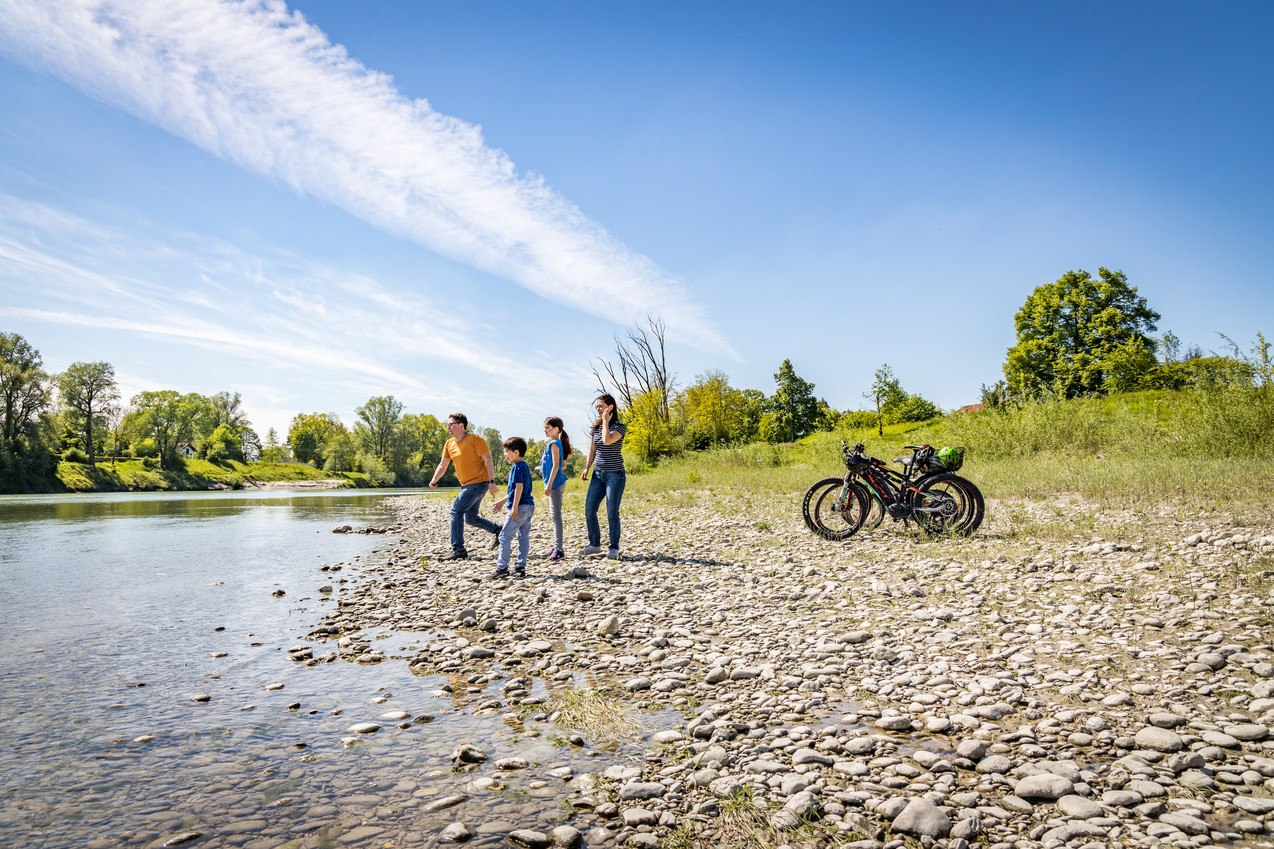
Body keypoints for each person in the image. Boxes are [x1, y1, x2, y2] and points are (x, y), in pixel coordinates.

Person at [428, 412, 499, 560]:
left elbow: (488, 459)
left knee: (456, 511)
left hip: (479, 483)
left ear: (461, 426)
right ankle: (499, 530)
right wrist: (434, 479)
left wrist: (492, 482)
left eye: (451, 424)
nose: (448, 427)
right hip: (466, 485)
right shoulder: (449, 443)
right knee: (471, 518)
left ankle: (458, 550)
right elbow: (443, 464)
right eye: (447, 424)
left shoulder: (475, 439)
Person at [580, 393, 626, 560]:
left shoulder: (620, 427)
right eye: (597, 407)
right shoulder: (596, 427)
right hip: (597, 474)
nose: (598, 409)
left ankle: (614, 548)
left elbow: (607, 441)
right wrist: (586, 467)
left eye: (601, 406)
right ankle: (594, 544)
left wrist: (606, 421)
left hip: (615, 475)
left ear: (610, 407)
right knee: (589, 508)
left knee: (611, 511)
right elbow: (592, 449)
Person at [491, 436, 534, 579]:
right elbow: (514, 490)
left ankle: (502, 568)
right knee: (523, 537)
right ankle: (520, 568)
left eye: (507, 451)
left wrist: (514, 507)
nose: (505, 454)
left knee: (504, 536)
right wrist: (502, 502)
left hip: (520, 507)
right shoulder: (525, 466)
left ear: (516, 452)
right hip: (528, 506)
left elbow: (519, 488)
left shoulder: (516, 467)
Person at [540, 417, 572, 562]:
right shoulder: (555, 443)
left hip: (555, 485)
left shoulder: (554, 443)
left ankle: (559, 549)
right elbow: (562, 465)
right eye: (545, 427)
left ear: (557, 429)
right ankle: (556, 546)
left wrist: (549, 484)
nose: (545, 430)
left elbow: (556, 465)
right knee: (554, 516)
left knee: (556, 517)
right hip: (555, 483)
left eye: (548, 427)